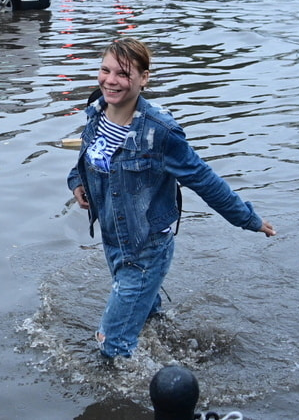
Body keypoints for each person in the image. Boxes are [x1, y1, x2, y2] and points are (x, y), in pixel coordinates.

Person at [67, 37, 276, 361]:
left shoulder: (161, 132)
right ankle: (172, 348)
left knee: (111, 344)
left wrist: (249, 220)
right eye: (105, 70)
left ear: (143, 78)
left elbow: (205, 180)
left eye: (122, 73)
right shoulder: (97, 111)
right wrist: (77, 182)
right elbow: (87, 155)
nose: (110, 80)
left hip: (146, 248)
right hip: (115, 241)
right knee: (149, 318)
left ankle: (136, 402)